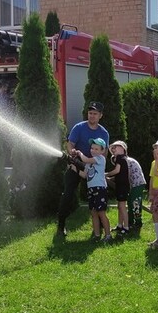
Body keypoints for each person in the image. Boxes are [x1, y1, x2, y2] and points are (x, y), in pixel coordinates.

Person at [56, 101, 109, 237]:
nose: (92, 116)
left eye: (95, 114)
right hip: (77, 165)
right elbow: (70, 144)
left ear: (100, 116)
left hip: (93, 167)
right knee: (67, 194)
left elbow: (104, 154)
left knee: (97, 196)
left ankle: (100, 225)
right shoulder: (78, 127)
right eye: (90, 113)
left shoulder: (104, 133)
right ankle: (61, 226)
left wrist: (100, 171)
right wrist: (72, 152)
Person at [74, 138, 112, 243]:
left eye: (96, 149)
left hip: (100, 189)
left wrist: (80, 153)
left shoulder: (100, 158)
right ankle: (96, 235)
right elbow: (85, 175)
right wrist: (73, 167)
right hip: (91, 189)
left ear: (102, 151)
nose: (93, 150)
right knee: (93, 212)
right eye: (92, 148)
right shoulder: (89, 163)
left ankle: (108, 235)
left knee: (101, 213)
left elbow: (85, 159)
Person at [107, 141, 131, 235]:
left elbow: (117, 170)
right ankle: (120, 225)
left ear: (123, 149)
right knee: (119, 206)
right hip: (121, 185)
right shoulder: (121, 158)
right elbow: (120, 174)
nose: (114, 149)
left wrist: (107, 174)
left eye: (116, 147)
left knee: (122, 206)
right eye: (113, 148)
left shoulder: (120, 158)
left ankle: (126, 227)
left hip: (123, 186)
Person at [123, 144, 147, 228]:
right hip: (134, 184)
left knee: (136, 203)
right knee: (130, 202)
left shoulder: (126, 161)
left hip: (137, 184)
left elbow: (127, 174)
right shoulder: (127, 160)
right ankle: (130, 221)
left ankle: (138, 222)